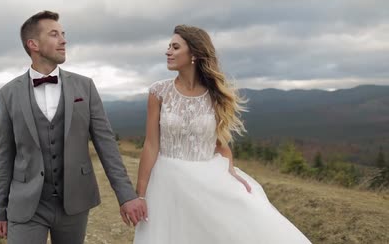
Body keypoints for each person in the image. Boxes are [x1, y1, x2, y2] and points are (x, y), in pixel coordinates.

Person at [133, 25, 312, 243]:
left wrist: (230, 171)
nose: (168, 51)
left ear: (195, 54)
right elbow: (151, 145)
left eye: (175, 47)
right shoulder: (158, 92)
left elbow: (220, 142)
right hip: (165, 183)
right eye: (169, 46)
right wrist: (140, 195)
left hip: (206, 179)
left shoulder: (216, 94)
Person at [0, 10, 146, 244]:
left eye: (63, 34)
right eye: (54, 34)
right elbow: (4, 156)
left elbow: (106, 144)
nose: (64, 40)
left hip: (74, 202)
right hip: (26, 204)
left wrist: (126, 195)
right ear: (33, 44)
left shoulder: (85, 86)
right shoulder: (8, 93)